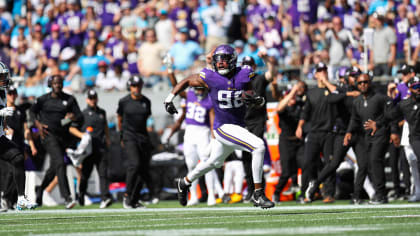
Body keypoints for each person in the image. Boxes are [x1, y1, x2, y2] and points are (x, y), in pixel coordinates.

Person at [164, 44, 274, 209]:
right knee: (258, 146)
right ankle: (258, 194)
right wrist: (169, 97)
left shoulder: (244, 73)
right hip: (223, 127)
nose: (221, 63)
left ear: (233, 60)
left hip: (237, 126)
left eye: (224, 60)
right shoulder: (209, 76)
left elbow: (253, 96)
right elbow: (187, 80)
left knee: (214, 162)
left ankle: (184, 182)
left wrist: (258, 100)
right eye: (218, 60)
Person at [305, 67, 369, 204]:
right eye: (353, 76)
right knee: (333, 163)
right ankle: (315, 185)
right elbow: (331, 99)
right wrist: (348, 95)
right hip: (343, 133)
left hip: (358, 133)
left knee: (363, 164)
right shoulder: (342, 89)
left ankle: (357, 196)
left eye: (358, 76)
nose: (357, 79)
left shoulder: (364, 90)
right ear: (346, 78)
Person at [166, 65, 224, 206]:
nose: (198, 90)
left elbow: (211, 122)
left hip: (203, 132)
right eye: (196, 88)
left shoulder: (209, 99)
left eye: (200, 88)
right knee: (191, 165)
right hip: (189, 132)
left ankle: (211, 195)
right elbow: (176, 86)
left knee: (206, 164)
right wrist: (170, 71)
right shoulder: (190, 95)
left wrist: (213, 137)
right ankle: (193, 196)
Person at [344, 73, 399, 204]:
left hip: (381, 134)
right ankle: (371, 194)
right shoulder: (357, 101)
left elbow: (391, 114)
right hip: (366, 137)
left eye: (365, 82)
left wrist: (385, 127)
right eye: (360, 83)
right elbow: (354, 118)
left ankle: (381, 195)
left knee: (375, 161)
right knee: (368, 164)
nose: (363, 85)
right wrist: (349, 132)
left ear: (370, 83)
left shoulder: (380, 98)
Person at [31, 74, 83, 209]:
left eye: (59, 83)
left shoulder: (69, 99)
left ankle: (40, 190)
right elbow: (32, 112)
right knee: (60, 163)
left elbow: (80, 116)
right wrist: (38, 125)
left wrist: (72, 117)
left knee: (53, 168)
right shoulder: (43, 100)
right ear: (50, 85)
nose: (57, 85)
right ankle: (67, 198)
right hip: (48, 136)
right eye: (54, 83)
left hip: (63, 138)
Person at [295, 62, 339, 204]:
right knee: (308, 162)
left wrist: (326, 81)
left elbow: (338, 94)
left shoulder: (332, 89)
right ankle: (307, 190)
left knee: (329, 163)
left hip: (329, 132)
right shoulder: (311, 93)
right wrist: (300, 126)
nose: (322, 73)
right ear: (315, 74)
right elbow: (305, 112)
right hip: (314, 132)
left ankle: (329, 193)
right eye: (320, 71)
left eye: (324, 70)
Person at [0, 62, 36, 211]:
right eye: (1, 76)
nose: (4, 79)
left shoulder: (2, 92)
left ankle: (21, 199)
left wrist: (4, 124)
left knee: (18, 158)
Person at [240, 54, 277, 202]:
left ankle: (258, 190)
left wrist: (268, 60)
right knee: (245, 157)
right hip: (242, 122)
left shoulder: (259, 78)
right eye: (245, 64)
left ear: (255, 67)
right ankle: (251, 190)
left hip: (257, 121)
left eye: (250, 64)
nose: (248, 67)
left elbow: (272, 74)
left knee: (256, 153)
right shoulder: (238, 80)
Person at [68, 89, 113, 209]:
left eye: (94, 98)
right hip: (88, 149)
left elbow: (105, 126)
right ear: (87, 99)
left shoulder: (102, 112)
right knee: (85, 175)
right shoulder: (82, 114)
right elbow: (72, 129)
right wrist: (82, 136)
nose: (93, 100)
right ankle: (81, 193)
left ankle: (105, 197)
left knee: (103, 174)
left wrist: (108, 139)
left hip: (101, 147)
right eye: (90, 98)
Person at [117, 76, 155, 209]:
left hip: (143, 137)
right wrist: (121, 136)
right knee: (134, 164)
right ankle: (127, 195)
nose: (136, 88)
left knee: (143, 169)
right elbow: (119, 118)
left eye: (138, 85)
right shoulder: (124, 101)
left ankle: (134, 199)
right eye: (134, 85)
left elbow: (147, 120)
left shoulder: (146, 101)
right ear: (130, 86)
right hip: (129, 136)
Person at [272, 82, 306, 204]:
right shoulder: (284, 108)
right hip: (286, 142)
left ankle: (302, 194)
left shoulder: (300, 105)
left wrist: (298, 90)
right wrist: (291, 92)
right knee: (286, 171)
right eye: (290, 96)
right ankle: (276, 193)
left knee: (304, 166)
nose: (292, 98)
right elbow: (279, 108)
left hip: (298, 141)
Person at [390, 76, 420, 202]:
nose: (418, 90)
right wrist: (393, 132)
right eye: (416, 87)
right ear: (410, 89)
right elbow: (391, 116)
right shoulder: (404, 104)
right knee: (414, 160)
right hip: (415, 136)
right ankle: (417, 191)